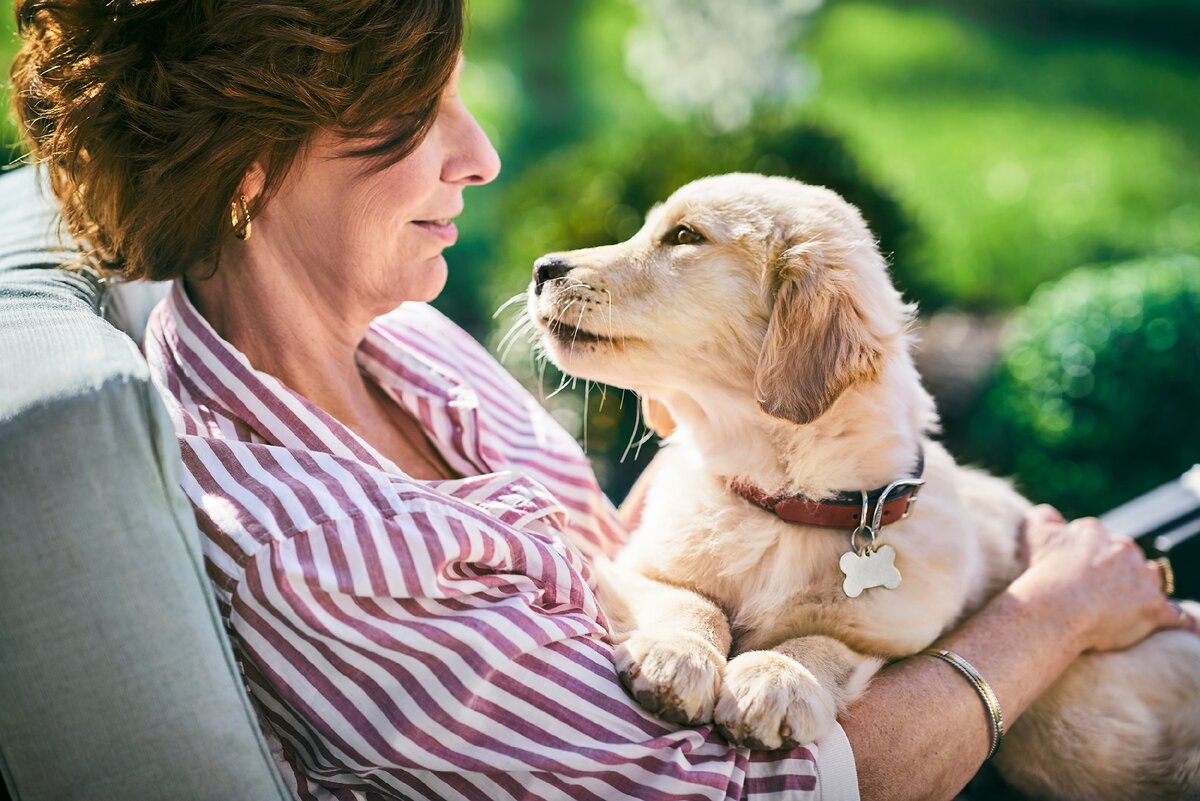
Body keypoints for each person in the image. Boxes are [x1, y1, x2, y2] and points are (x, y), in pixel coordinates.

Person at [10, 1, 1196, 799]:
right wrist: (1048, 615)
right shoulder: (315, 545)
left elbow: (657, 571)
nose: (479, 156)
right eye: (421, 118)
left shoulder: (406, 345)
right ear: (250, 164)